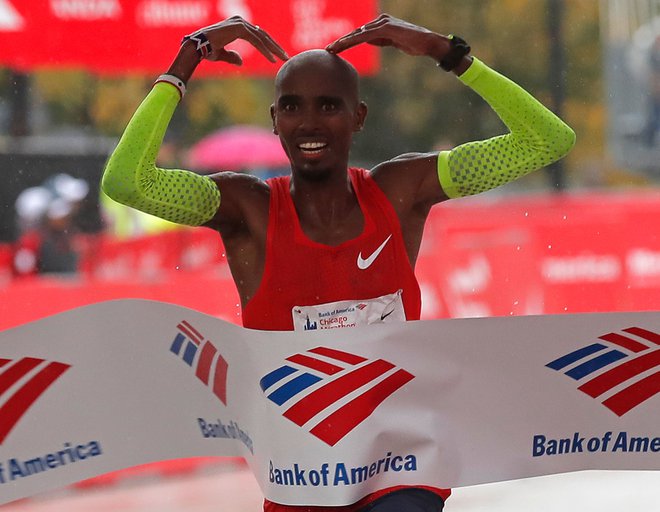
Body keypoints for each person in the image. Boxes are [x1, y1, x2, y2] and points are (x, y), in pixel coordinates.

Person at [102, 14, 575, 512]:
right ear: (274, 119)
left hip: (401, 472)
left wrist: (449, 55)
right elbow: (127, 182)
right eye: (292, 107)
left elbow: (547, 141)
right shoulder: (248, 209)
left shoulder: (400, 190)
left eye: (329, 105)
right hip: (303, 481)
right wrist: (187, 58)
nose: (309, 122)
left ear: (359, 116)